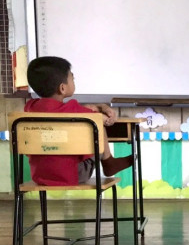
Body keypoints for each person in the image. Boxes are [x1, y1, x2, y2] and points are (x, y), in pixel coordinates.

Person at [23, 56, 133, 186]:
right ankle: (109, 162)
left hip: (40, 175)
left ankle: (109, 162)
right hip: (74, 174)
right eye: (72, 77)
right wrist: (102, 111)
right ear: (62, 88)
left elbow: (65, 109)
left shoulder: (29, 108)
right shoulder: (74, 110)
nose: (73, 80)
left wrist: (96, 107)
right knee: (96, 124)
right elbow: (100, 118)